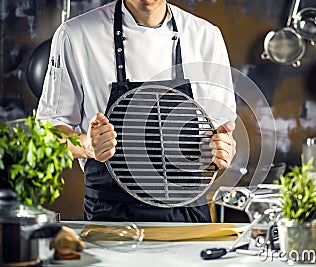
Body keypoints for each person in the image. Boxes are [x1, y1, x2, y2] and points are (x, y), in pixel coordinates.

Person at [37, 0, 236, 222]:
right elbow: (47, 138)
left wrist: (222, 149)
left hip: (189, 215)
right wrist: (86, 146)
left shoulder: (206, 36)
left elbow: (223, 138)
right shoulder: (75, 35)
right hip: (111, 215)